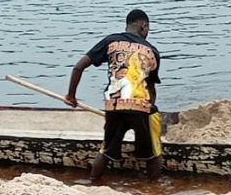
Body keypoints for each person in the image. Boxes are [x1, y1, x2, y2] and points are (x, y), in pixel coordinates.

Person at [65, 9, 162, 184]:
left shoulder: (111, 41)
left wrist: (71, 96)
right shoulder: (151, 51)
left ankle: (93, 181)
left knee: (106, 150)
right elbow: (151, 88)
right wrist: (151, 108)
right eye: (148, 29)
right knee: (153, 153)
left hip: (114, 106)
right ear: (143, 26)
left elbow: (78, 67)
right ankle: (154, 188)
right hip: (140, 107)